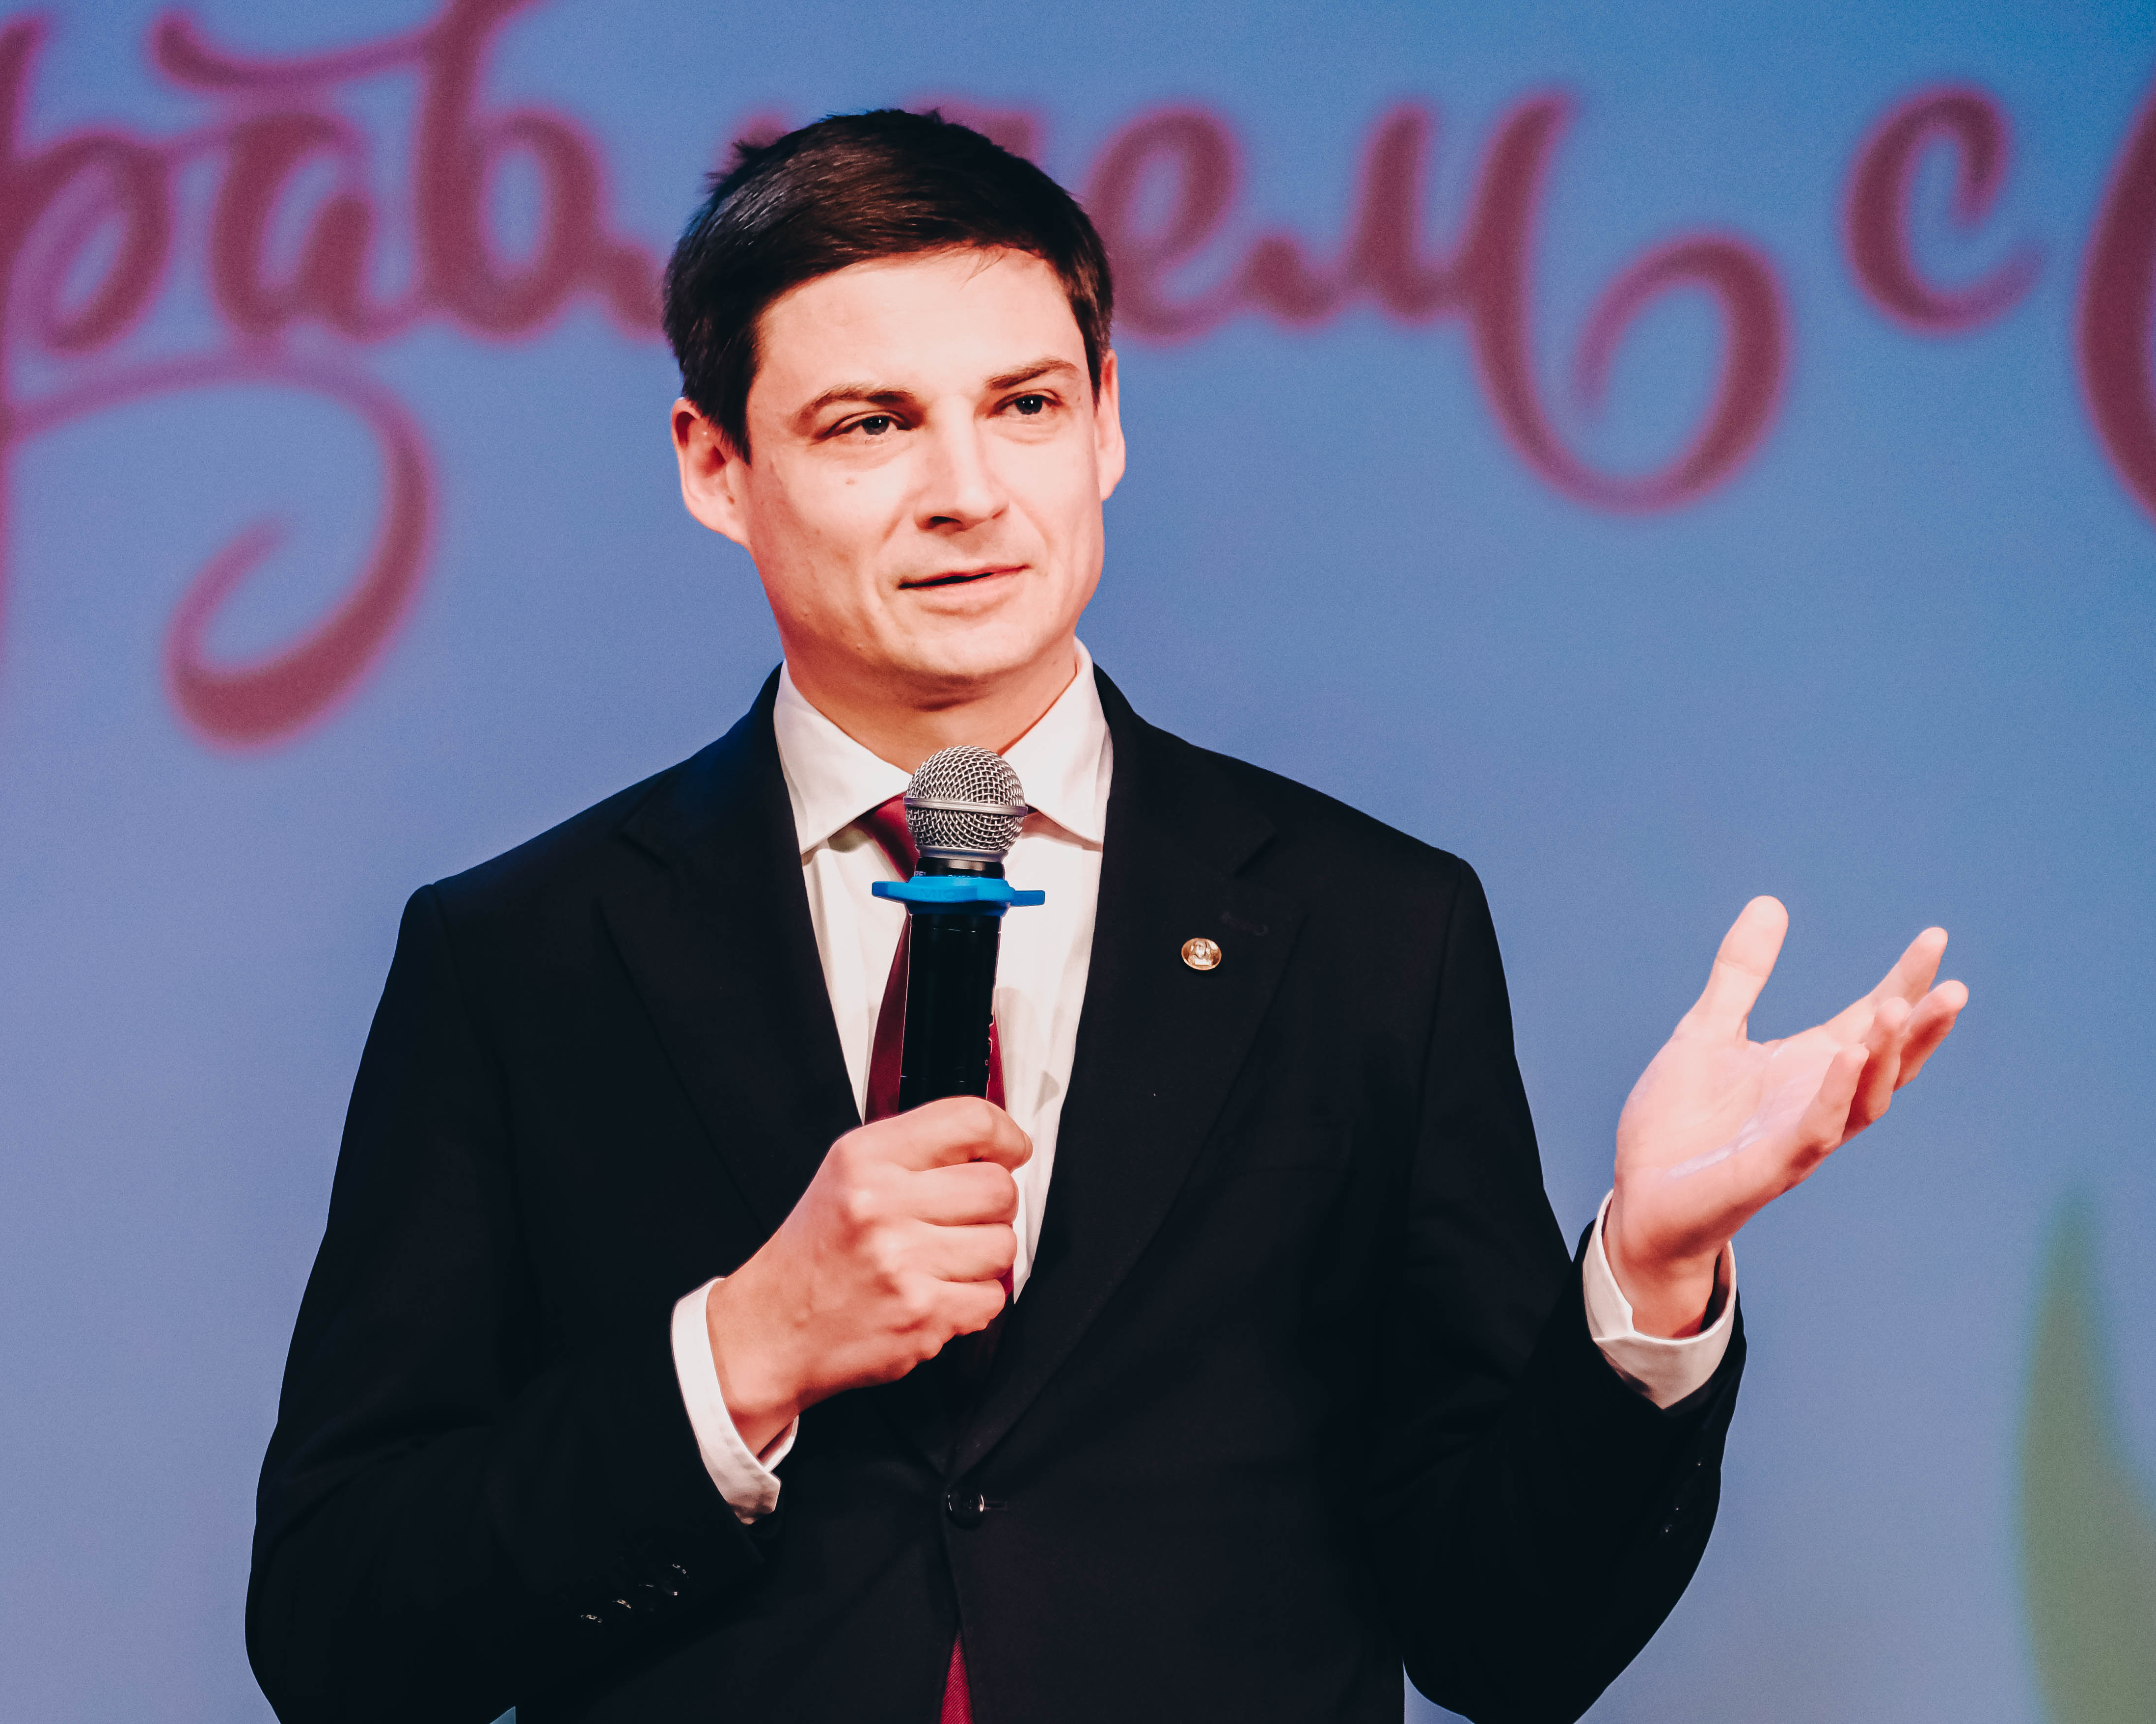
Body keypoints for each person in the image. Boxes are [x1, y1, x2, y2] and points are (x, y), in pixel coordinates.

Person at [244, 109, 1965, 1724]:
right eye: (871, 425)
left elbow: (1508, 1644)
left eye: (1025, 405)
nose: (969, 491)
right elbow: (338, 1633)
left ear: (1110, 421)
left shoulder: (1371, 929)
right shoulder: (524, 956)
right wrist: (742, 1352)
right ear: (716, 464)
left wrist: (1648, 1284)